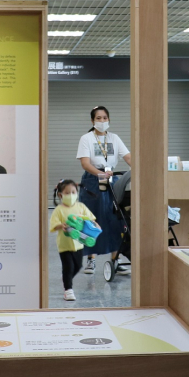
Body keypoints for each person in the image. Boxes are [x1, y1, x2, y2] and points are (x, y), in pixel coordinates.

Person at [76, 106, 131, 273]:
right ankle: (90, 259)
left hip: (112, 181)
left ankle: (116, 259)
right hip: (93, 181)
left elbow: (128, 157)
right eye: (98, 118)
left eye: (105, 118)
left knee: (116, 219)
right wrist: (100, 174)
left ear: (109, 120)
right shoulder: (86, 138)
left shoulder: (114, 138)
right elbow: (85, 163)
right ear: (92, 121)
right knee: (92, 219)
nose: (102, 121)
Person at [48, 179, 99, 302]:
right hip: (64, 245)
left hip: (78, 243)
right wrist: (61, 226)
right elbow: (53, 225)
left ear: (77, 192)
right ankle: (68, 290)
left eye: (73, 192)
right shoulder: (59, 210)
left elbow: (90, 219)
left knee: (78, 266)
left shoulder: (81, 207)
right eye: (67, 193)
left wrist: (96, 225)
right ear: (60, 195)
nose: (71, 195)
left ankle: (67, 277)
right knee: (68, 267)